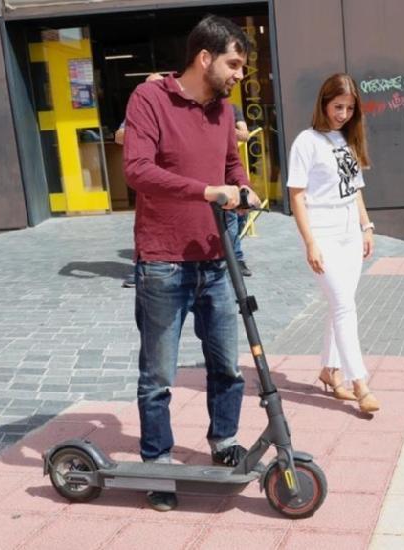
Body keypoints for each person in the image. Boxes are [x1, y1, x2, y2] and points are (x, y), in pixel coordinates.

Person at [123, 15, 260, 512]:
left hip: (216, 258)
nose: (239, 74)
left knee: (227, 365)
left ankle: (224, 443)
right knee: (157, 376)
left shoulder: (225, 111)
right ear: (205, 57)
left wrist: (241, 188)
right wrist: (206, 191)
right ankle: (157, 463)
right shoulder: (150, 99)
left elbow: (229, 165)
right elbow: (137, 170)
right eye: (233, 63)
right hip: (163, 261)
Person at [287, 73, 380, 414]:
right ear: (323, 103)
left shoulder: (346, 140)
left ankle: (329, 370)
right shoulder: (306, 142)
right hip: (322, 231)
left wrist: (366, 227)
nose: (343, 114)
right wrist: (309, 241)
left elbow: (355, 189)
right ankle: (360, 383)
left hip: (349, 233)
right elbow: (296, 196)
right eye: (337, 106)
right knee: (343, 306)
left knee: (341, 303)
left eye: (350, 108)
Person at [116, 73, 165, 289]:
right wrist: (143, 137)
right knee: (146, 227)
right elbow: (119, 135)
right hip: (148, 176)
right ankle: (140, 272)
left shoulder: (171, 109)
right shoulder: (139, 109)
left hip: (170, 176)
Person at [224, 104, 253, 277]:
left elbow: (245, 134)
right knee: (231, 219)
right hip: (216, 176)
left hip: (234, 171)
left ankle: (231, 252)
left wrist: (225, 128)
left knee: (243, 216)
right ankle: (236, 258)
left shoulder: (231, 109)